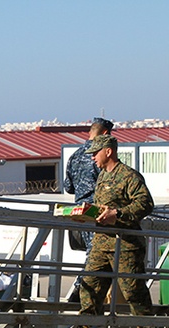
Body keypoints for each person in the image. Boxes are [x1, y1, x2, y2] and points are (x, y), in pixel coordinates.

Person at [56, 134, 157, 328]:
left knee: (132, 290)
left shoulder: (129, 176)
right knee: (89, 286)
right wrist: (86, 215)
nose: (93, 157)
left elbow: (145, 204)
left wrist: (118, 214)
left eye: (96, 153)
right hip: (101, 243)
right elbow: (101, 208)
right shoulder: (102, 177)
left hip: (125, 244)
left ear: (108, 151)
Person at [63, 117, 113, 301]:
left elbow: (68, 187)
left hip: (80, 211)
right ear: (106, 134)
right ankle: (79, 294)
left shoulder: (75, 155)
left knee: (93, 254)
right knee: (97, 256)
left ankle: (84, 296)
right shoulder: (101, 155)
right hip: (97, 211)